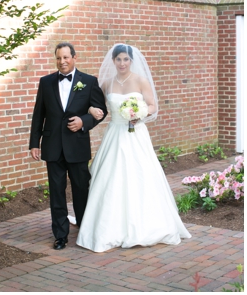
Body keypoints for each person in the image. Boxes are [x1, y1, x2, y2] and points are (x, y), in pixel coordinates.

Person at [76, 43, 190, 252]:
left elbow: (153, 105)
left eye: (125, 59)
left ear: (131, 61)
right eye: (118, 59)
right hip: (115, 134)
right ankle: (107, 225)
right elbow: (97, 105)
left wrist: (140, 114)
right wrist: (92, 108)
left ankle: (145, 224)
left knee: (141, 175)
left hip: (135, 134)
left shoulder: (140, 80)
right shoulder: (107, 84)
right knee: (110, 178)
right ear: (113, 61)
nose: (122, 63)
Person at [29, 41, 107, 250]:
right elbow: (39, 115)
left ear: (74, 57)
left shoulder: (89, 82)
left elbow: (101, 110)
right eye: (58, 58)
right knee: (56, 192)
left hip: (77, 146)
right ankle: (60, 235)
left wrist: (84, 122)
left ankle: (84, 227)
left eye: (65, 57)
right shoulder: (45, 82)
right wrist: (34, 143)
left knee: (82, 189)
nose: (62, 62)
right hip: (52, 146)